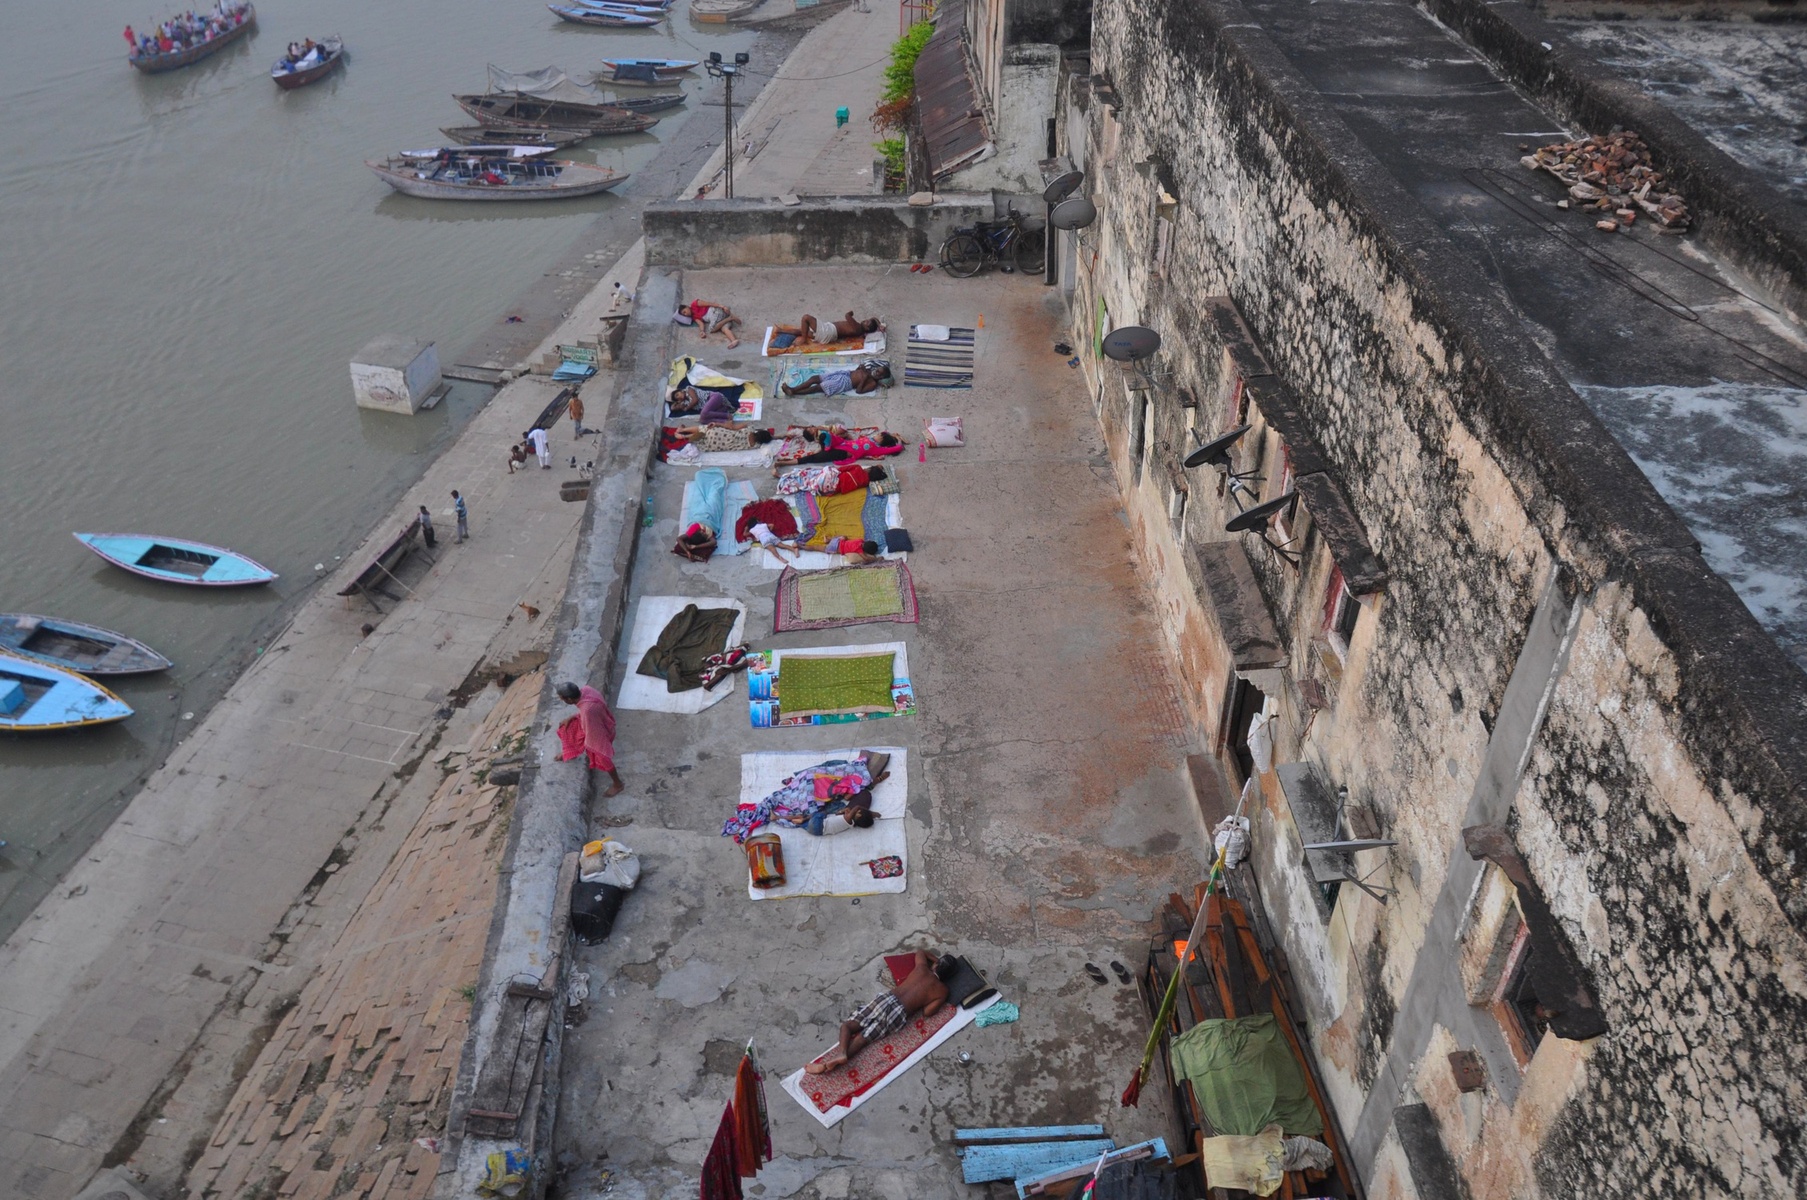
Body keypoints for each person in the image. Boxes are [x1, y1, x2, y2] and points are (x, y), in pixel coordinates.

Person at [806, 950, 948, 1075]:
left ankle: (841, 1053)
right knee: (861, 1039)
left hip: (887, 999)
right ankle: (829, 1064)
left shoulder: (922, 968)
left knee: (847, 1026)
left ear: (936, 966)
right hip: (898, 1013)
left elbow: (920, 952)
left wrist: (936, 961)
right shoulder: (942, 991)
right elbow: (928, 1012)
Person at [555, 681, 624, 797]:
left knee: (602, 756)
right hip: (598, 720)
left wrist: (589, 745)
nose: (562, 700)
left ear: (570, 699)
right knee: (566, 728)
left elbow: (593, 734)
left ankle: (618, 784)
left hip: (601, 730)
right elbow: (585, 712)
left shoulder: (587, 711)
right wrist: (571, 718)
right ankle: (569, 751)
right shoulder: (586, 690)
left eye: (563, 698)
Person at [781, 360, 890, 398]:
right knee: (814, 378)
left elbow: (859, 391)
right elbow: (856, 372)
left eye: (878, 372)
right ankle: (793, 389)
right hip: (844, 374)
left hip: (845, 383)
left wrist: (864, 379)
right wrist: (859, 368)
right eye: (877, 369)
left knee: (818, 387)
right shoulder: (869, 370)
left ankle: (794, 392)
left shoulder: (872, 383)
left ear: (881, 377)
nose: (876, 371)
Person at [776, 311, 882, 347]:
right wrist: (878, 323)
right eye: (867, 320)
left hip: (828, 332)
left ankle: (803, 339)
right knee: (803, 331)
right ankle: (780, 331)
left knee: (806, 318)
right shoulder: (860, 330)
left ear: (867, 328)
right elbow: (873, 319)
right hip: (828, 335)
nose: (865, 320)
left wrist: (851, 313)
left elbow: (847, 315)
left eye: (867, 322)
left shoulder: (857, 327)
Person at [668, 424, 775, 453]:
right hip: (716, 445)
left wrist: (719, 424)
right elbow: (770, 439)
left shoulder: (749, 429)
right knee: (703, 437)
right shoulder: (755, 446)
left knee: (705, 429)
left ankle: (683, 430)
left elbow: (731, 427)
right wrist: (775, 437)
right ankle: (684, 436)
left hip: (720, 434)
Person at [668, 385, 740, 425]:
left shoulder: (688, 389)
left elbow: (695, 400)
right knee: (703, 420)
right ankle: (725, 421)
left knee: (704, 413)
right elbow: (672, 408)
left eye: (677, 394)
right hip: (716, 408)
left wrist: (686, 408)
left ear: (680, 391)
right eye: (677, 398)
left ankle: (727, 416)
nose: (679, 397)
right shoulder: (685, 403)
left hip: (714, 397)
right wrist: (678, 402)